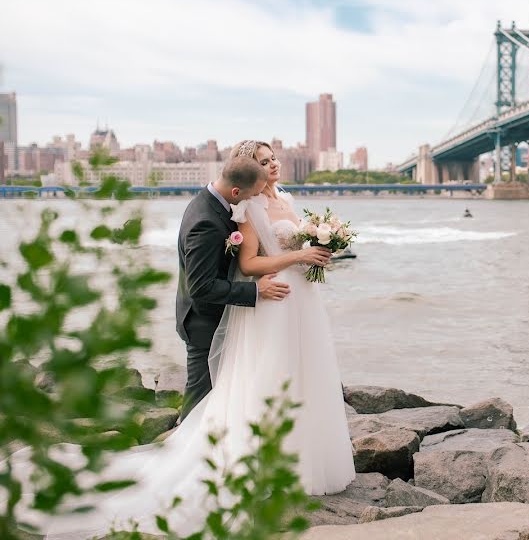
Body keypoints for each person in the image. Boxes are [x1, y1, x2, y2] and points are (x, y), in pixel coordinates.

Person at [11, 142, 355, 537]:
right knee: (221, 390)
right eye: (262, 162)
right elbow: (217, 279)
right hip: (215, 314)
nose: (271, 167)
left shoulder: (247, 202)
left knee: (287, 378)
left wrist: (317, 245)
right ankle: (197, 462)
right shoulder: (214, 217)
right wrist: (271, 279)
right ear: (243, 182)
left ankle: (281, 456)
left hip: (289, 303)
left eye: (271, 158)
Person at [176, 156, 288, 418]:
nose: (254, 201)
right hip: (203, 322)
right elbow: (201, 287)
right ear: (236, 191)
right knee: (199, 398)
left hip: (216, 316)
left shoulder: (212, 202)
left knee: (221, 395)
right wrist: (255, 291)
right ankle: (186, 448)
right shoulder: (205, 222)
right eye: (253, 195)